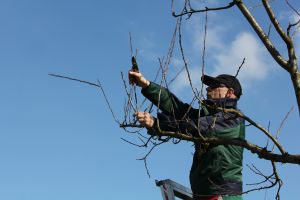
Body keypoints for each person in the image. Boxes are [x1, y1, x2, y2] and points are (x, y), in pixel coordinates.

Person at [129, 70, 245, 200]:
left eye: (214, 85)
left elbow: (196, 127)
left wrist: (157, 124)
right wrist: (146, 85)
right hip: (204, 195)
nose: (208, 88)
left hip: (224, 195)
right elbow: (178, 108)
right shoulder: (207, 117)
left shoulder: (232, 118)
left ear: (230, 92)